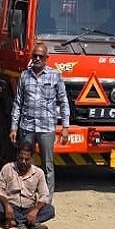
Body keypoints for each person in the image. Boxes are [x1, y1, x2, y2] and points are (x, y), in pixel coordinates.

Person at [9, 42, 70, 201]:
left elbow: (63, 101)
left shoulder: (55, 75)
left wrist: (65, 126)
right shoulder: (24, 75)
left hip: (46, 128)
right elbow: (18, 102)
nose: (37, 58)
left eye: (40, 56)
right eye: (34, 55)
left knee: (48, 166)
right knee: (24, 163)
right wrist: (13, 127)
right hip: (27, 127)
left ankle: (46, 201)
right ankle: (24, 198)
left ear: (46, 58)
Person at [0, 144, 55, 229]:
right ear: (17, 156)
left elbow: (44, 195)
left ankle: (16, 222)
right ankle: (28, 223)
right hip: (11, 206)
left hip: (29, 208)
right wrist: (6, 205)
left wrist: (35, 210)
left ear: (32, 158)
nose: (23, 162)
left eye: (27, 159)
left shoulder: (38, 173)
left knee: (50, 210)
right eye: (21, 158)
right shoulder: (7, 168)